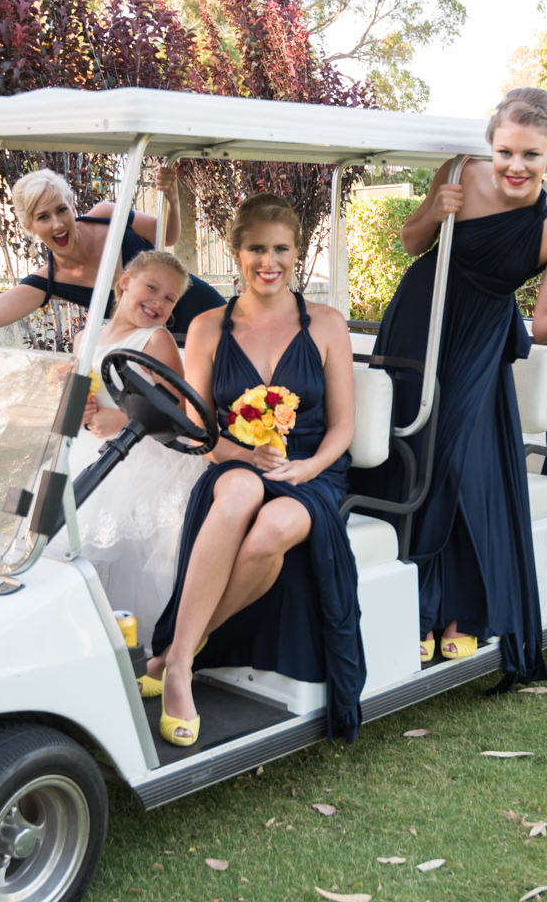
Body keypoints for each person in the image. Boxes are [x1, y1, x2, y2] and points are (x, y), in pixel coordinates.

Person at [356, 88, 547, 689]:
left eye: (531, 155)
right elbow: (411, 242)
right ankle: (409, 602)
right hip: (419, 317)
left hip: (480, 339)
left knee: (450, 460)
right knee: (406, 450)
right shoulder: (459, 171)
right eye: (506, 151)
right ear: (490, 144)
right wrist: (435, 208)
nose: (515, 166)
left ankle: (452, 606)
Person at [142, 194, 361, 747]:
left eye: (281, 248)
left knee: (271, 531)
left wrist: (306, 465)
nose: (270, 261)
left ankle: (180, 650)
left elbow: (342, 429)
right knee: (238, 493)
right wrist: (243, 455)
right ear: (237, 253)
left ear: (297, 252)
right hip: (233, 460)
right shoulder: (207, 328)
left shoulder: (328, 324)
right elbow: (199, 429)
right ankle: (180, 674)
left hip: (310, 473)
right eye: (257, 248)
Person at [0, 166, 224, 347]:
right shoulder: (48, 279)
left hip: (203, 310)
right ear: (29, 226)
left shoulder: (107, 215)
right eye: (43, 217)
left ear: (72, 206)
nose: (57, 223)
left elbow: (168, 235)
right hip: (158, 344)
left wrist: (171, 201)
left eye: (61, 210)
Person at [68, 250, 207, 629]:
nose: (158, 302)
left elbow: (175, 409)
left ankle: (132, 633)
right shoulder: (85, 336)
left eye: (169, 299)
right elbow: (82, 393)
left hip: (143, 451)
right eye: (152, 288)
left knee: (110, 536)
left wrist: (121, 418)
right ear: (125, 282)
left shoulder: (155, 339)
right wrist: (78, 407)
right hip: (91, 448)